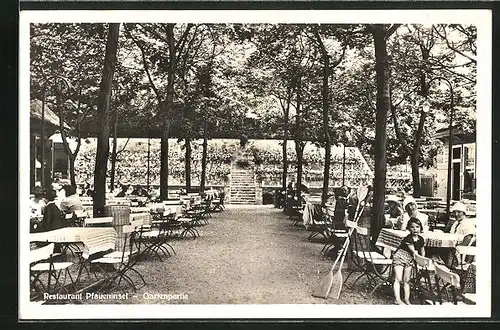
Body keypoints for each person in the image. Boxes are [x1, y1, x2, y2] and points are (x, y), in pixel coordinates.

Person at [392, 217, 425, 305]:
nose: (415, 229)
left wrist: (423, 259)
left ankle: (407, 299)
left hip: (409, 260)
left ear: (421, 228)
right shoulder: (408, 238)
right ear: (409, 228)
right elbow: (413, 250)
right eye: (412, 227)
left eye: (417, 227)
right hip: (400, 257)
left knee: (407, 280)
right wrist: (417, 256)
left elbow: (422, 250)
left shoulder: (421, 239)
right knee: (398, 278)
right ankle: (397, 299)